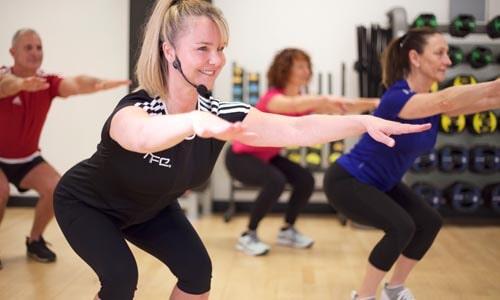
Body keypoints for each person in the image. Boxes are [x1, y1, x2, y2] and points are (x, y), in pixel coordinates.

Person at [52, 0, 430, 299]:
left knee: (198, 273)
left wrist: (362, 122)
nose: (215, 59)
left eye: (220, 48)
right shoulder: (138, 108)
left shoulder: (221, 113)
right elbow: (140, 137)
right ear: (170, 52)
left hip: (149, 208)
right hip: (87, 203)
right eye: (202, 48)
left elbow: (298, 128)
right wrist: (193, 122)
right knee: (121, 277)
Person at [323, 27, 500, 300]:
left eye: (448, 54)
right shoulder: (398, 98)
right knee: (401, 226)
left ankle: (393, 290)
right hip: (348, 181)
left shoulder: (432, 102)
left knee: (429, 222)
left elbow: (489, 99)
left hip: (382, 184)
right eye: (440, 53)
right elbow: (447, 99)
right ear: (415, 58)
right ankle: (365, 296)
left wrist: (495, 91)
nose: (448, 61)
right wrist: (494, 84)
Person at [225, 48, 379, 256]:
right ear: (284, 70)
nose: (306, 71)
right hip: (240, 157)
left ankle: (287, 229)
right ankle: (248, 234)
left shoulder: (304, 100)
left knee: (305, 179)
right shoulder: (272, 99)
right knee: (275, 181)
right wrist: (323, 100)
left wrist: (375, 103)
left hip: (267, 156)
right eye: (300, 66)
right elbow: (293, 105)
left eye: (308, 66)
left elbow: (342, 108)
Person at [0, 28, 131, 268]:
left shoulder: (46, 82)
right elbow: (5, 86)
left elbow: (75, 83)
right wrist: (20, 84)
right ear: (12, 52)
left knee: (56, 189)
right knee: (1, 192)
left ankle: (35, 240)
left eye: (39, 47)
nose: (35, 52)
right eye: (28, 47)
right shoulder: (4, 76)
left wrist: (98, 84)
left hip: (27, 158)